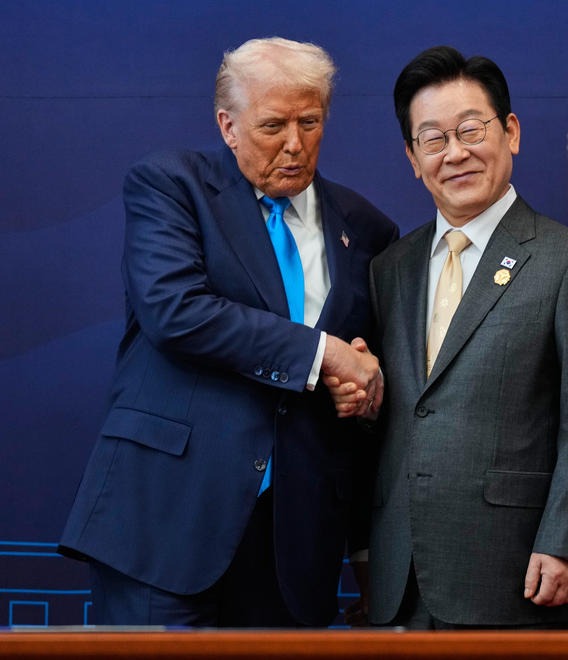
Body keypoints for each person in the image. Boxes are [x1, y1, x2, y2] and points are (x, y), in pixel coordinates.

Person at [58, 37, 398, 627]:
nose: (295, 144)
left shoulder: (368, 228)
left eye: (310, 122)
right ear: (228, 125)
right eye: (273, 126)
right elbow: (176, 312)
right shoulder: (171, 186)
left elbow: (366, 378)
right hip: (163, 524)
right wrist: (325, 355)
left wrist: (362, 390)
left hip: (296, 546)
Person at [351, 45, 568, 629]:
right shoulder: (388, 268)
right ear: (412, 156)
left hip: (513, 570)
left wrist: (565, 540)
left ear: (511, 132)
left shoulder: (566, 259)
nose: (456, 153)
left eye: (471, 129)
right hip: (398, 575)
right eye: (433, 139)